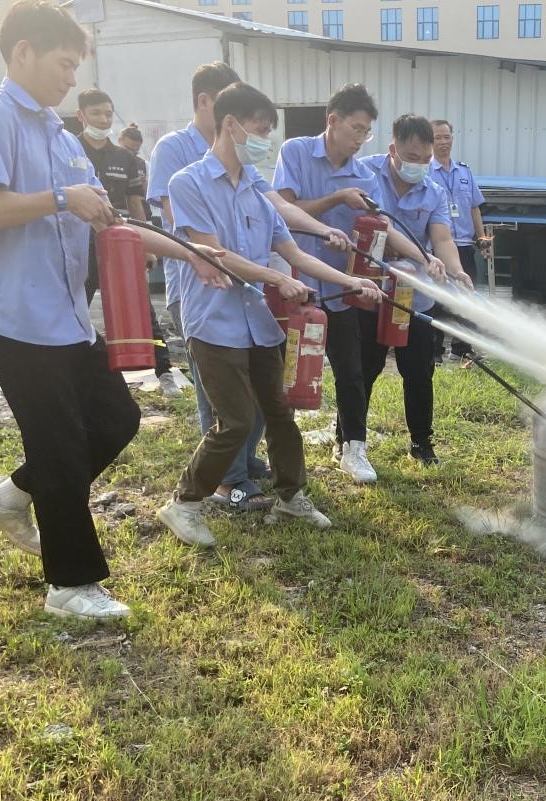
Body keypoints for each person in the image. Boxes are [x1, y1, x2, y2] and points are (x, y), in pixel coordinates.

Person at [0, 0, 229, 619]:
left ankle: (11, 495)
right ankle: (70, 584)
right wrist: (59, 198)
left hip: (66, 315)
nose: (72, 78)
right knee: (57, 443)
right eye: (64, 63)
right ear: (23, 51)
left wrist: (191, 255)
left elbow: (113, 222)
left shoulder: (61, 135)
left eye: (76, 66)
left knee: (116, 419)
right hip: (15, 314)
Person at [157, 82, 382, 547]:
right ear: (231, 125)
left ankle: (290, 496)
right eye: (260, 130)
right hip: (212, 324)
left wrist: (351, 282)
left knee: (280, 413)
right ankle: (184, 503)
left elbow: (295, 254)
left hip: (257, 324)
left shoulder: (259, 194)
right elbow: (214, 254)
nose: (264, 142)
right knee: (236, 420)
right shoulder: (188, 183)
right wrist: (275, 279)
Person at [273, 84, 448, 483]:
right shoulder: (296, 152)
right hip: (296, 284)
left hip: (343, 287)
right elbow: (282, 210)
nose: (359, 139)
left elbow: (382, 226)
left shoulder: (363, 174)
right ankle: (270, 451)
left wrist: (424, 257)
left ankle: (352, 448)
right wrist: (335, 201)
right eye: (355, 128)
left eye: (365, 131)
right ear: (332, 122)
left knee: (353, 371)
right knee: (286, 372)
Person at [359, 114, 472, 467]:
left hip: (414, 295)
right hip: (370, 290)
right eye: (412, 158)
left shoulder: (433, 191)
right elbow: (384, 227)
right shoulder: (366, 175)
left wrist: (455, 270)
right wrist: (423, 258)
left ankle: (422, 444)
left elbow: (442, 237)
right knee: (363, 369)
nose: (420, 166)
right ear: (392, 149)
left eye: (425, 160)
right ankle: (349, 440)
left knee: (420, 369)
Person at [75, 87, 180, 397]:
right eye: (96, 113)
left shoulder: (125, 158)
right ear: (81, 115)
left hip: (119, 243)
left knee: (142, 308)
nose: (103, 119)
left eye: (108, 113)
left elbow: (136, 205)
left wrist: (145, 245)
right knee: (75, 304)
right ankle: (81, 370)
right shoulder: (70, 151)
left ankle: (163, 367)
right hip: (80, 242)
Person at [430, 119, 490, 360]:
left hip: (464, 245)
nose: (444, 142)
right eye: (438, 137)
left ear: (453, 138)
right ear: (430, 141)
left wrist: (482, 237)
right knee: (437, 299)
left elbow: (475, 208)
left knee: (467, 296)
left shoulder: (464, 172)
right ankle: (434, 350)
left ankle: (462, 349)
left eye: (447, 137)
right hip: (437, 247)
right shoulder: (425, 172)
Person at [117, 123, 149, 221]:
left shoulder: (144, 164)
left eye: (135, 152)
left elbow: (150, 195)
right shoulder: (110, 160)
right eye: (127, 149)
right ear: (120, 141)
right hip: (118, 215)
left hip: (140, 216)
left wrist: (143, 184)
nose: (130, 155)